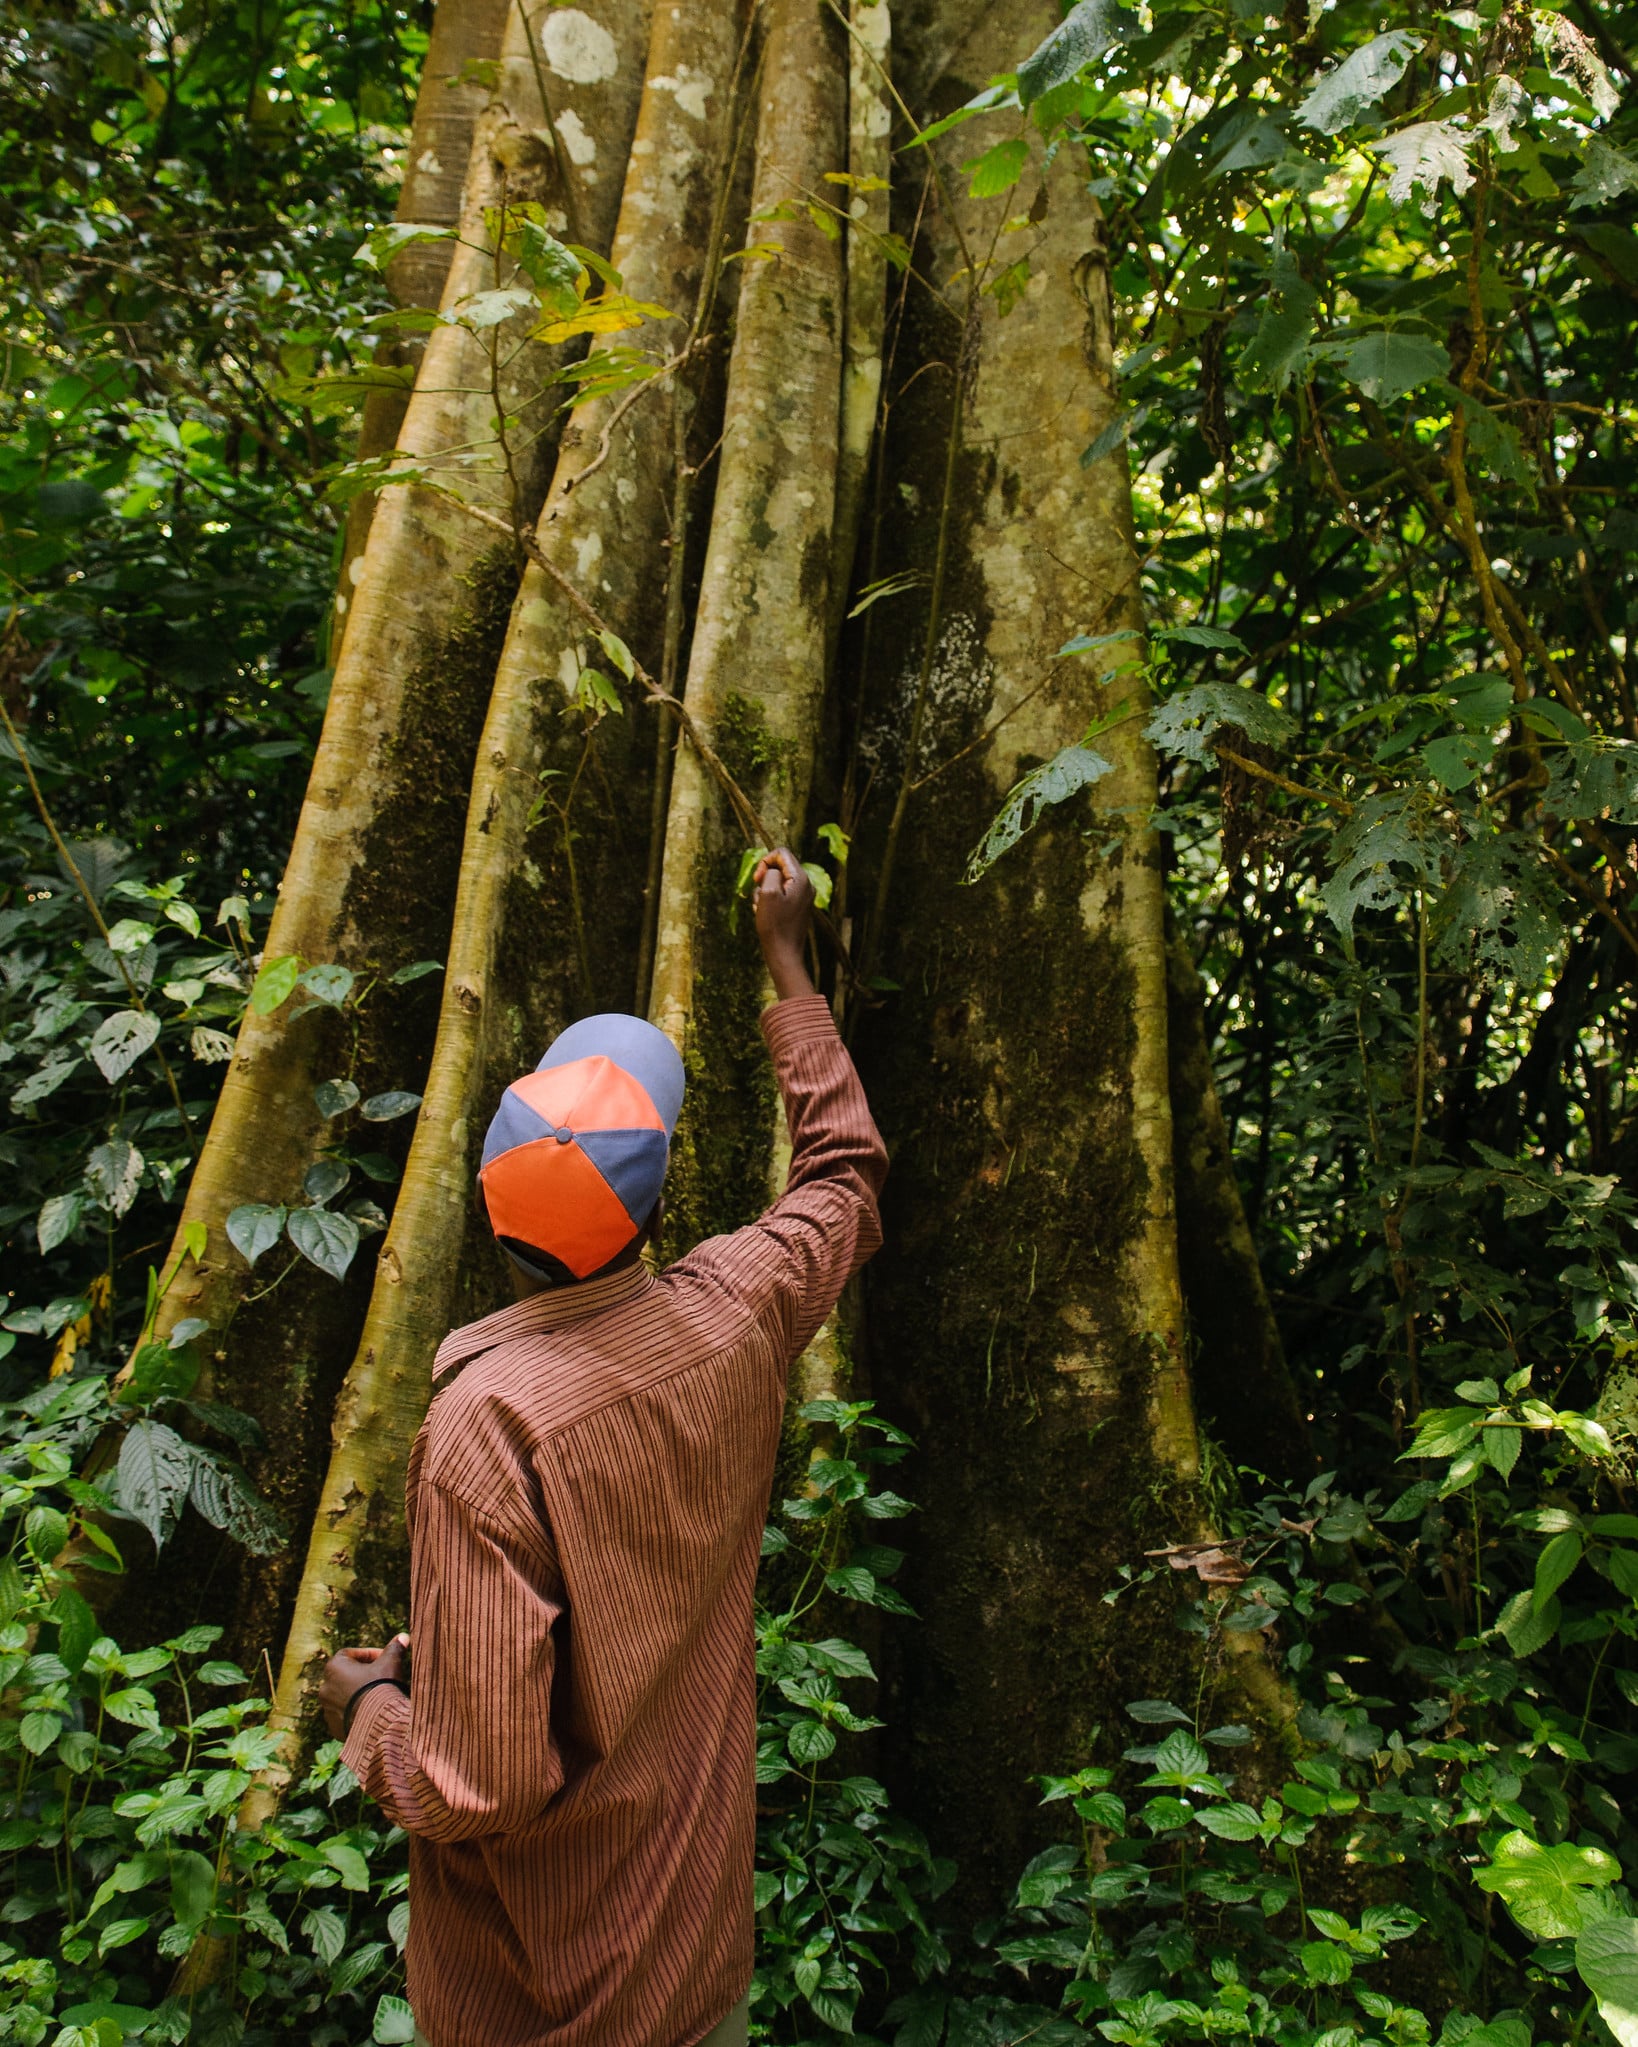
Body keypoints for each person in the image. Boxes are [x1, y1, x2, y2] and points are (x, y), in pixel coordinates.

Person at [318, 849, 888, 2047]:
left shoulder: (486, 1425)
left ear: (482, 1196)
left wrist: (368, 1709)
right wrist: (788, 963)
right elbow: (842, 1177)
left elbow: (477, 1787)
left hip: (540, 2004)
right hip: (692, 1962)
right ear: (655, 1201)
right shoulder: (741, 1309)